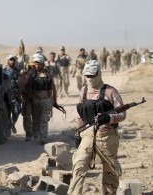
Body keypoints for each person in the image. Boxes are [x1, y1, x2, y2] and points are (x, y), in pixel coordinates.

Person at [68, 60, 126, 195]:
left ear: (99, 73)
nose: (89, 79)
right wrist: (78, 133)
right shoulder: (83, 91)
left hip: (106, 137)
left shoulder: (110, 92)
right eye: (87, 76)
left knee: (110, 172)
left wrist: (109, 118)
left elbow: (122, 114)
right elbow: (81, 115)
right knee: (78, 166)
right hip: (87, 136)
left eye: (92, 75)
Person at [18, 54, 58, 145]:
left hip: (47, 99)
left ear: (43, 64)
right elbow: (23, 84)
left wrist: (55, 101)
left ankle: (43, 137)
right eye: (36, 64)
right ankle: (35, 133)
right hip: (36, 100)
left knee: (44, 119)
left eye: (39, 64)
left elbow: (53, 87)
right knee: (36, 119)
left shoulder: (48, 73)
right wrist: (19, 94)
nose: (37, 65)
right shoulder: (31, 73)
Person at [3, 54, 21, 134]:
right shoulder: (4, 71)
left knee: (17, 111)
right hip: (6, 96)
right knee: (7, 114)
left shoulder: (18, 71)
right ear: (8, 61)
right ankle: (8, 129)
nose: (12, 61)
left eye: (14, 60)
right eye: (11, 60)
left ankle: (12, 124)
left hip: (15, 95)